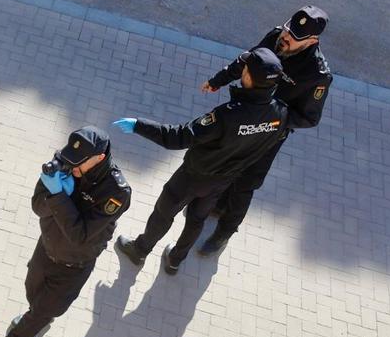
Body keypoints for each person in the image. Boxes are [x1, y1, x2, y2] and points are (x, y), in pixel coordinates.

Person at [111, 47, 290, 274]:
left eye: (244, 68)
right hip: (223, 180)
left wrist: (139, 125)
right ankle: (175, 260)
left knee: (164, 213)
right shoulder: (280, 115)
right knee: (197, 219)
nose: (242, 69)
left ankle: (139, 250)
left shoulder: (228, 115)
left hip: (192, 176)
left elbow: (178, 137)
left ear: (248, 77)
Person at [198, 6, 333, 255]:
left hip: (270, 132)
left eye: (295, 37)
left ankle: (225, 231)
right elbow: (249, 61)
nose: (286, 38)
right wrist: (218, 80)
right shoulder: (276, 36)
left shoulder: (318, 75)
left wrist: (274, 117)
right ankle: (216, 204)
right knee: (225, 162)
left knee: (246, 184)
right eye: (289, 30)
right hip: (242, 117)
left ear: (313, 41)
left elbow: (309, 118)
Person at [3, 126, 131, 337]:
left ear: (99, 158)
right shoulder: (64, 163)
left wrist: (60, 196)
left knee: (45, 311)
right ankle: (36, 315)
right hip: (46, 248)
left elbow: (79, 236)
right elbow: (37, 207)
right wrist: (53, 193)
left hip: (74, 265)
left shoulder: (116, 192)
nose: (71, 168)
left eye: (78, 164)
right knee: (32, 292)